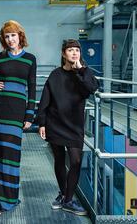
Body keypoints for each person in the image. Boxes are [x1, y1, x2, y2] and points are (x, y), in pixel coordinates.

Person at [0, 20, 37, 211]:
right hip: (1, 107)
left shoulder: (30, 59)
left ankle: (9, 200)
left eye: (13, 35)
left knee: (12, 155)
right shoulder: (0, 57)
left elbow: (33, 88)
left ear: (20, 36)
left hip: (18, 110)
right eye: (7, 36)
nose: (10, 39)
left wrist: (29, 116)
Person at [37, 39, 99, 215]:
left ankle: (68, 198)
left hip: (74, 125)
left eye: (77, 51)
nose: (74, 53)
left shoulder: (83, 73)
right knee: (59, 159)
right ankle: (65, 196)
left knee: (76, 161)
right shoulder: (55, 75)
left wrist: (81, 70)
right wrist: (42, 122)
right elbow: (45, 99)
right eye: (70, 50)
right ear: (64, 54)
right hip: (55, 123)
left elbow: (92, 88)